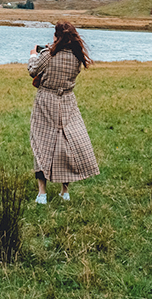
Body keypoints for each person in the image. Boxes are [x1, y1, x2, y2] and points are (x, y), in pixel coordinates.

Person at [27, 20, 99, 203]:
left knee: (41, 144)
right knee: (65, 145)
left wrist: (33, 56)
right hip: (67, 102)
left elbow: (32, 71)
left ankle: (42, 193)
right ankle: (64, 191)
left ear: (57, 37)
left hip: (46, 102)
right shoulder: (77, 57)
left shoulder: (48, 55)